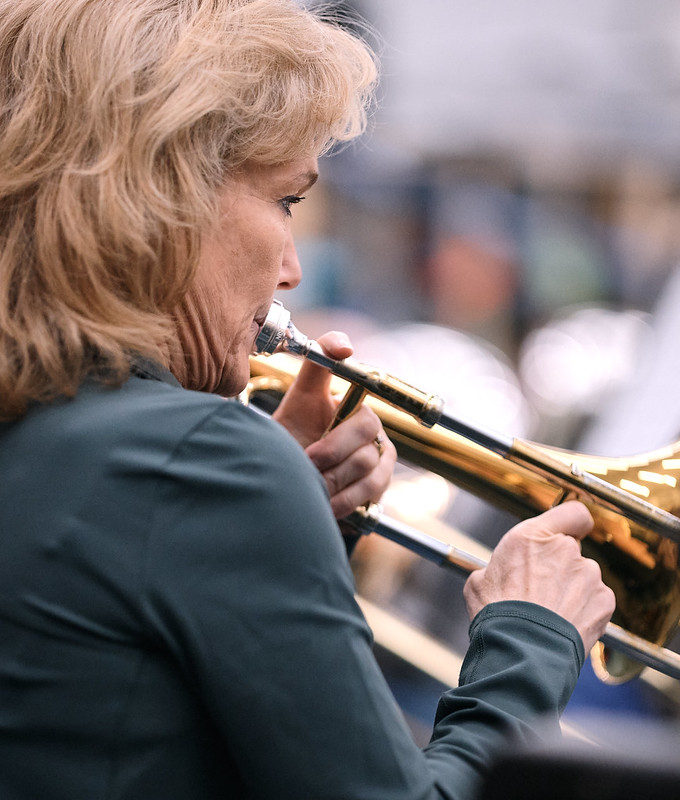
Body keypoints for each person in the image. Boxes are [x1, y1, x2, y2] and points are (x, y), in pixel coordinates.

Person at [0, 1, 615, 798]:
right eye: (287, 201)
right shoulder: (205, 461)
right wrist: (534, 640)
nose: (292, 269)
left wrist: (277, 524)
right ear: (159, 195)